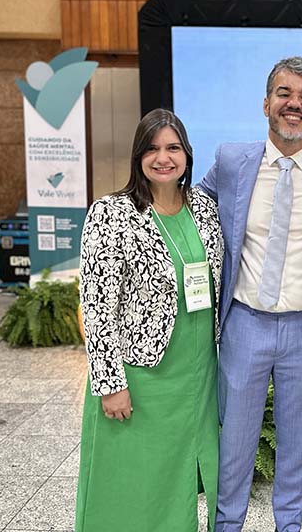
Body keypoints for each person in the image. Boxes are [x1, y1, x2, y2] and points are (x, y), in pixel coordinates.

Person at [199, 56, 302, 532]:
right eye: (285, 93)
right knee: (235, 444)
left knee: (296, 446)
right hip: (244, 323)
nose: (295, 104)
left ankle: (289, 526)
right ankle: (226, 525)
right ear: (266, 103)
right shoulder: (232, 161)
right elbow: (191, 208)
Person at [76, 108, 224, 532]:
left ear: (187, 155)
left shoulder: (204, 209)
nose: (163, 158)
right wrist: (110, 384)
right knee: (134, 484)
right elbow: (97, 306)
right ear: (138, 156)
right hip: (141, 377)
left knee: (179, 481)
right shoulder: (111, 214)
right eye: (152, 148)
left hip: (196, 376)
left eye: (173, 147)